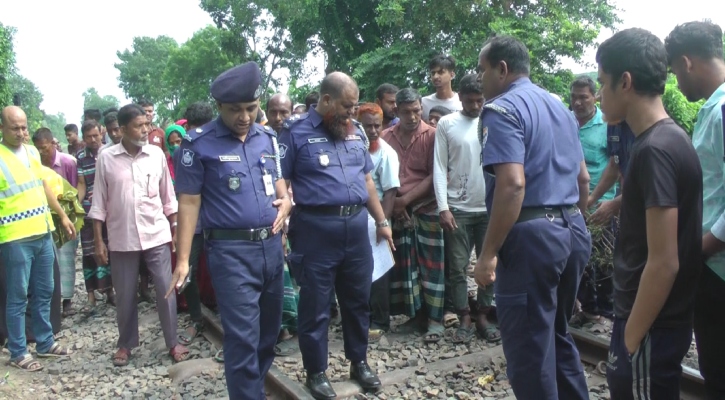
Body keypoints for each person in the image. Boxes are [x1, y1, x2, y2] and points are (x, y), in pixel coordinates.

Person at [474, 36, 591, 400]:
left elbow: (511, 186)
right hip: (572, 229)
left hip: (532, 239)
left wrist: (489, 253)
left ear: (502, 69)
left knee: (528, 350)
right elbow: (583, 178)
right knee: (556, 334)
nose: (480, 79)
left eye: (482, 71)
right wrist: (571, 225)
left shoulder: (501, 109)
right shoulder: (559, 108)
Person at [169, 62, 291, 400]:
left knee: (268, 335)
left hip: (270, 249)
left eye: (251, 108)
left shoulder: (267, 138)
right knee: (242, 338)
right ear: (219, 107)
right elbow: (189, 204)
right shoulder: (198, 145)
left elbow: (280, 185)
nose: (244, 116)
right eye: (235, 109)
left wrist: (287, 202)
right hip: (231, 254)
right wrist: (182, 260)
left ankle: (253, 387)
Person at [596, 28, 703, 400]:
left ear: (625, 82)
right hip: (650, 321)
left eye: (602, 83)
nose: (598, 95)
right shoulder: (662, 140)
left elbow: (664, 262)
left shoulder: (655, 149)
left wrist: (630, 337)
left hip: (651, 326)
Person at [279, 72, 393, 400]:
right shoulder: (295, 133)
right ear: (326, 101)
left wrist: (381, 220)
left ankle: (359, 362)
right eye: (347, 106)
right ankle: (316, 371)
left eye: (354, 106)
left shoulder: (354, 132)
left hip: (356, 227)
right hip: (315, 229)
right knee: (315, 304)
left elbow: (367, 183)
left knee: (358, 300)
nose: (352, 113)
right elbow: (281, 182)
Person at [89, 103, 189, 367]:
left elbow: (169, 197)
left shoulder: (156, 155)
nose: (146, 130)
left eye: (147, 124)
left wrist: (175, 230)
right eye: (139, 125)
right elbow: (98, 202)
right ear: (122, 129)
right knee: (124, 292)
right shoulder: (106, 158)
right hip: (122, 238)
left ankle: (172, 342)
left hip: (156, 234)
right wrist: (99, 241)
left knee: (166, 289)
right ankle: (126, 343)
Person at [665, 21, 725, 399]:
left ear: (686, 62)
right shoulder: (712, 108)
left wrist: (704, 244)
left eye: (674, 72)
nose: (676, 81)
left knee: (719, 368)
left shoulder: (722, 112)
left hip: (717, 266)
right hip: (713, 262)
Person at [0, 106, 75, 371]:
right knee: (18, 296)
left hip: (42, 235)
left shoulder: (32, 152)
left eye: (23, 127)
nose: (21, 133)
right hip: (14, 239)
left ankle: (44, 343)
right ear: (2, 128)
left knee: (45, 290)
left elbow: (43, 185)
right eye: (14, 128)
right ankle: (18, 351)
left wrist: (62, 216)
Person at [433, 74, 499, 343]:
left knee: (489, 265)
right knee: (458, 268)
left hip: (489, 208)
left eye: (480, 100)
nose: (475, 105)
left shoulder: (493, 120)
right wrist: (443, 207)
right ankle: (464, 316)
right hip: (458, 208)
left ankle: (483, 314)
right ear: (460, 97)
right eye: (470, 101)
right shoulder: (447, 124)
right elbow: (439, 166)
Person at [382, 88, 445, 343]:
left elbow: (435, 175)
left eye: (417, 110)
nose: (412, 116)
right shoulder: (386, 137)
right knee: (406, 266)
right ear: (396, 111)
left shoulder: (432, 136)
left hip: (424, 207)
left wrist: (406, 201)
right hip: (395, 207)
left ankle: (436, 319)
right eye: (406, 112)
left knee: (432, 266)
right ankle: (416, 315)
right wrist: (395, 203)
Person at [569, 75, 617, 327]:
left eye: (583, 97)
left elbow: (616, 165)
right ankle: (587, 310)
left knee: (602, 263)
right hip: (570, 205)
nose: (577, 103)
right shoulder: (565, 122)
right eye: (574, 97)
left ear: (595, 96)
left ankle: (605, 315)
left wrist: (599, 199)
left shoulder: (607, 125)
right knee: (579, 259)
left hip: (601, 205)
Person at [356, 103, 400, 341]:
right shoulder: (353, 147)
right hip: (354, 216)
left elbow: (391, 191)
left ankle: (380, 320)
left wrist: (384, 223)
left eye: (377, 126)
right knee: (358, 270)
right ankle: (360, 316)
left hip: (376, 217)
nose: (373, 131)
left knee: (379, 269)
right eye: (367, 126)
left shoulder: (386, 153)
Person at [175, 102, 215, 351]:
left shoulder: (187, 148)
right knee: (187, 270)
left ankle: (201, 316)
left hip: (210, 224)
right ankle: (198, 318)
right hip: (201, 224)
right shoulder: (184, 152)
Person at [32, 127, 79, 317]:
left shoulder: (68, 162)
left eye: (45, 148)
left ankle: (67, 299)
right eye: (39, 149)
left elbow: (75, 189)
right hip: (44, 218)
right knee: (48, 259)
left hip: (66, 214)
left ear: (53, 143)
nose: (42, 152)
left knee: (67, 258)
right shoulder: (34, 164)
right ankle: (52, 301)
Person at [76, 121, 115, 311]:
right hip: (90, 210)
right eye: (89, 136)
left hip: (110, 209)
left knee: (109, 249)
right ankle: (91, 295)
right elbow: (82, 183)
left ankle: (110, 291)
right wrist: (76, 206)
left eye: (95, 135)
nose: (93, 139)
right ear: (83, 138)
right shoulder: (80, 157)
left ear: (101, 134)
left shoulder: (109, 152)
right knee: (89, 252)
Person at [421, 55, 462, 120]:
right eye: (433, 73)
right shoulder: (424, 103)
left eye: (440, 72)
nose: (435, 76)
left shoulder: (461, 102)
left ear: (452, 75)